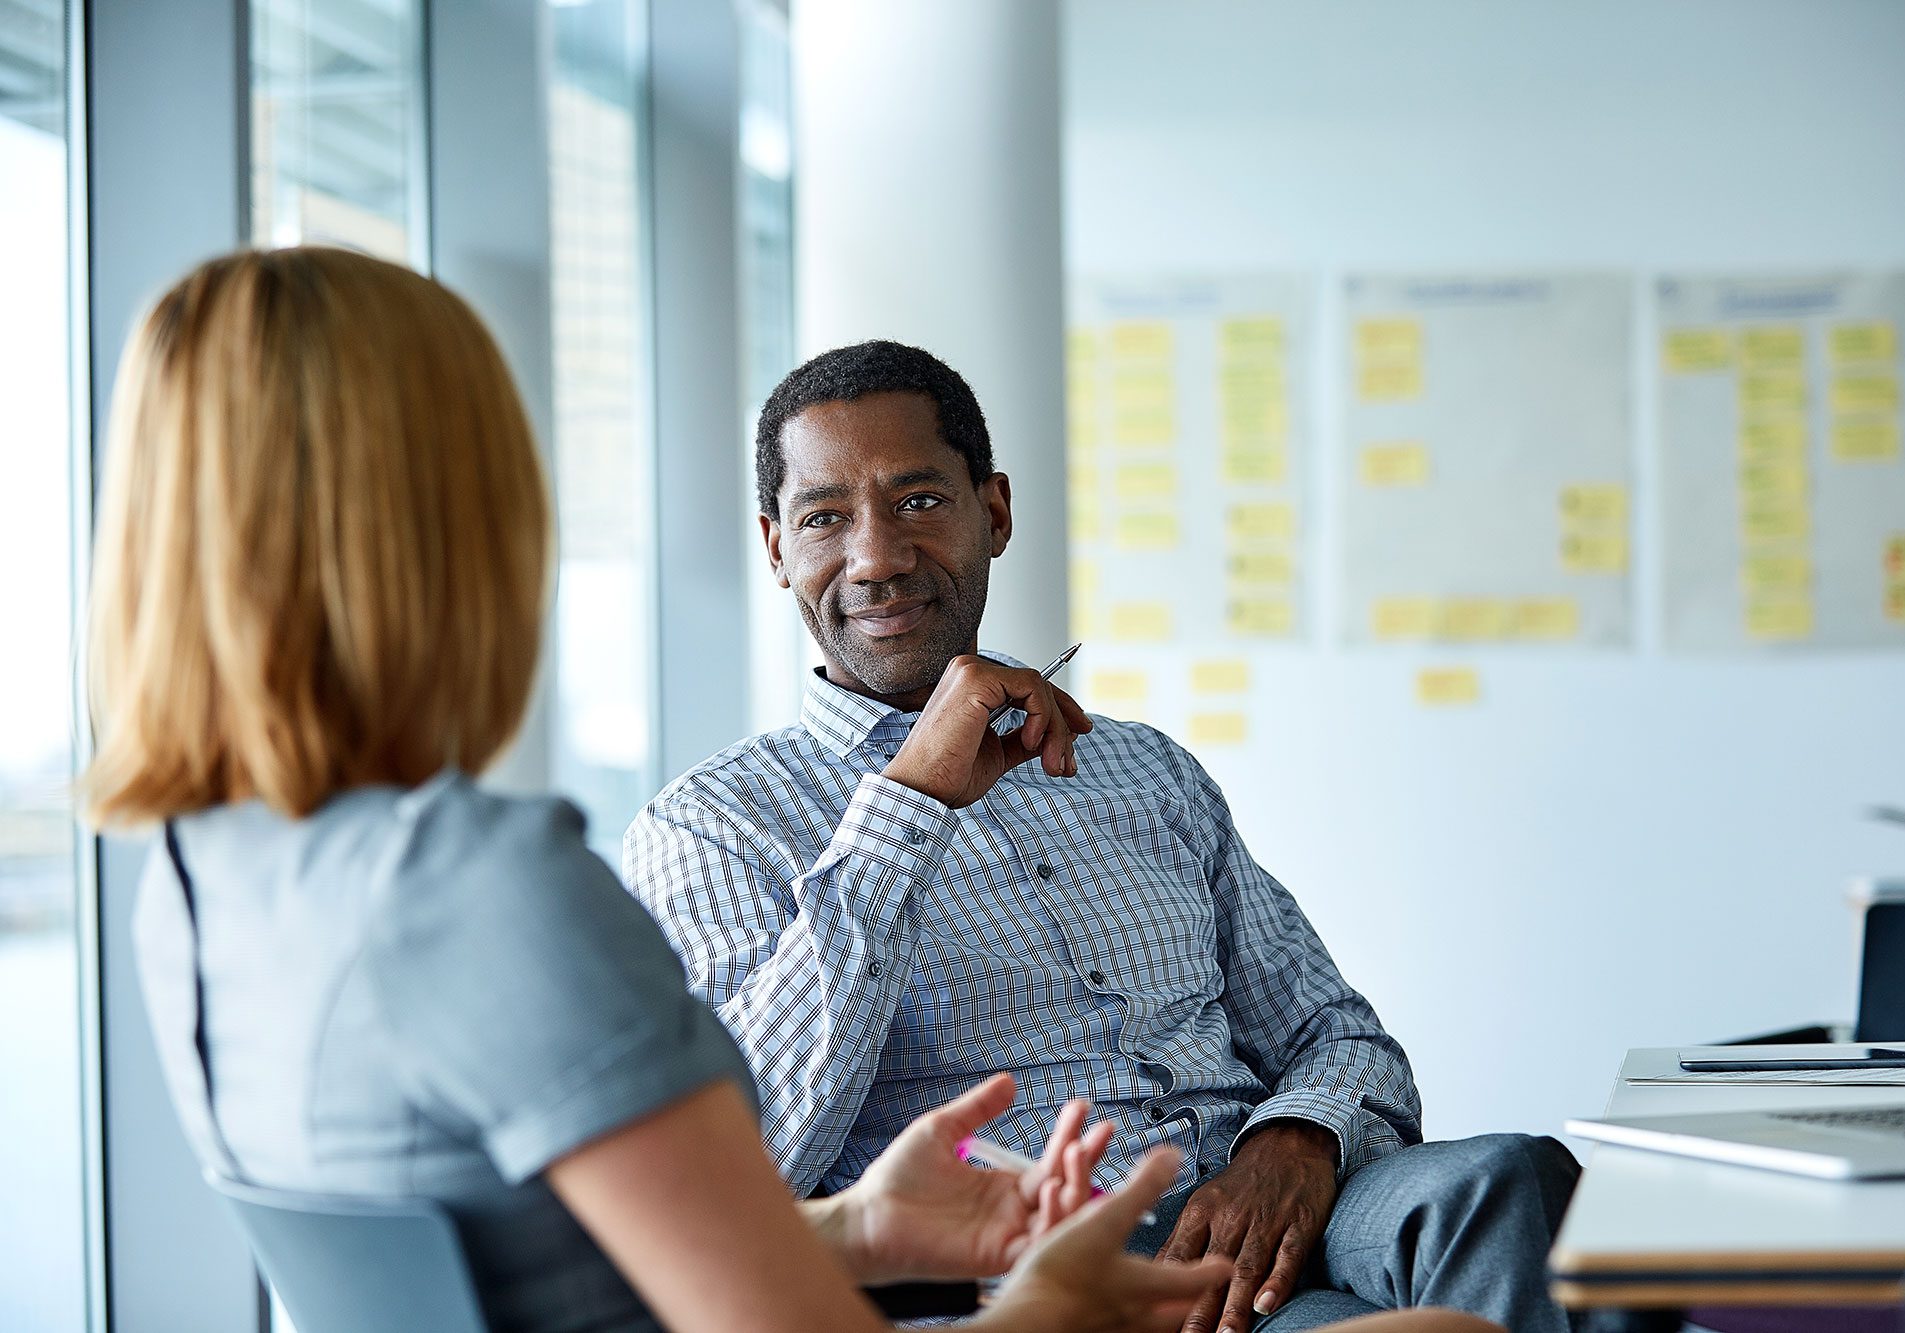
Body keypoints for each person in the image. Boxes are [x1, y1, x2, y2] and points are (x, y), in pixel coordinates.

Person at [81, 248, 1247, 1333]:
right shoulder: (483, 887)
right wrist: (1048, 1307)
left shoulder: (197, 881)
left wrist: (852, 1228)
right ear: (451, 525)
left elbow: (530, 1270)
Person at [624, 339, 1582, 1333]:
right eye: (825, 518)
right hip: (1053, 1279)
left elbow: (1333, 1033)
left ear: (993, 512)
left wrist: (1295, 1138)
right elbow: (752, 1157)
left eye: (917, 502)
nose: (875, 556)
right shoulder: (712, 825)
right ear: (777, 548)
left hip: (1282, 1205)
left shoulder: (1142, 769)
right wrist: (905, 802)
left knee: (1506, 1184)